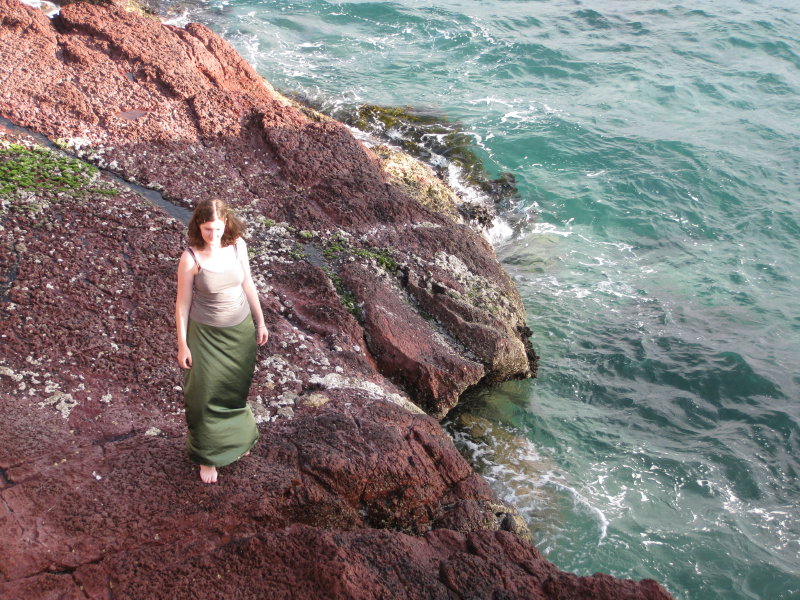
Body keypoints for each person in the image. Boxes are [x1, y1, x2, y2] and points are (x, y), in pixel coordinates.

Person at [175, 199, 268, 483]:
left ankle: (237, 442)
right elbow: (182, 305)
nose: (213, 235)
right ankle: (208, 457)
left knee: (233, 392)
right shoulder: (191, 258)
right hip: (205, 336)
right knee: (203, 396)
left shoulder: (238, 245)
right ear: (198, 227)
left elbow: (248, 283)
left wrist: (260, 321)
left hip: (239, 332)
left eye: (217, 228)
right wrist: (183, 344)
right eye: (207, 229)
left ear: (226, 223)